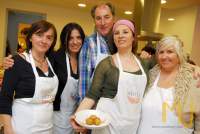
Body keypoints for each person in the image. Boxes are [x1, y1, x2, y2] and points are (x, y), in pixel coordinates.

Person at [70, 19, 150, 134]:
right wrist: (77, 116)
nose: (120, 36)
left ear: (133, 37)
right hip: (107, 126)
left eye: (125, 32)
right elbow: (91, 95)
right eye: (116, 33)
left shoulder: (143, 64)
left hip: (132, 126)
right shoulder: (106, 64)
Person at [0, 20, 58, 134]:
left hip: (48, 127)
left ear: (52, 42)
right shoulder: (16, 62)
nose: (44, 40)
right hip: (23, 127)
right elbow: (5, 98)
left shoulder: (52, 61)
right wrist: (7, 129)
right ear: (30, 37)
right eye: (39, 35)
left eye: (49, 37)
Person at [138, 36, 200, 134]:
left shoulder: (192, 78)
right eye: (161, 52)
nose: (164, 56)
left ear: (178, 54)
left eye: (170, 52)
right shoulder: (151, 75)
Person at [79, 2, 117, 100]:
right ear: (94, 21)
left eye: (107, 17)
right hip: (96, 106)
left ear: (114, 18)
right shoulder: (89, 43)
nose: (103, 22)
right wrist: (84, 112)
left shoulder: (121, 43)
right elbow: (84, 83)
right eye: (98, 18)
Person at [52, 23, 85, 134]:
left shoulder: (84, 60)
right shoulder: (55, 57)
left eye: (78, 37)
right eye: (70, 38)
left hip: (75, 114)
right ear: (64, 40)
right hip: (56, 114)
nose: (75, 42)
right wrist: (11, 61)